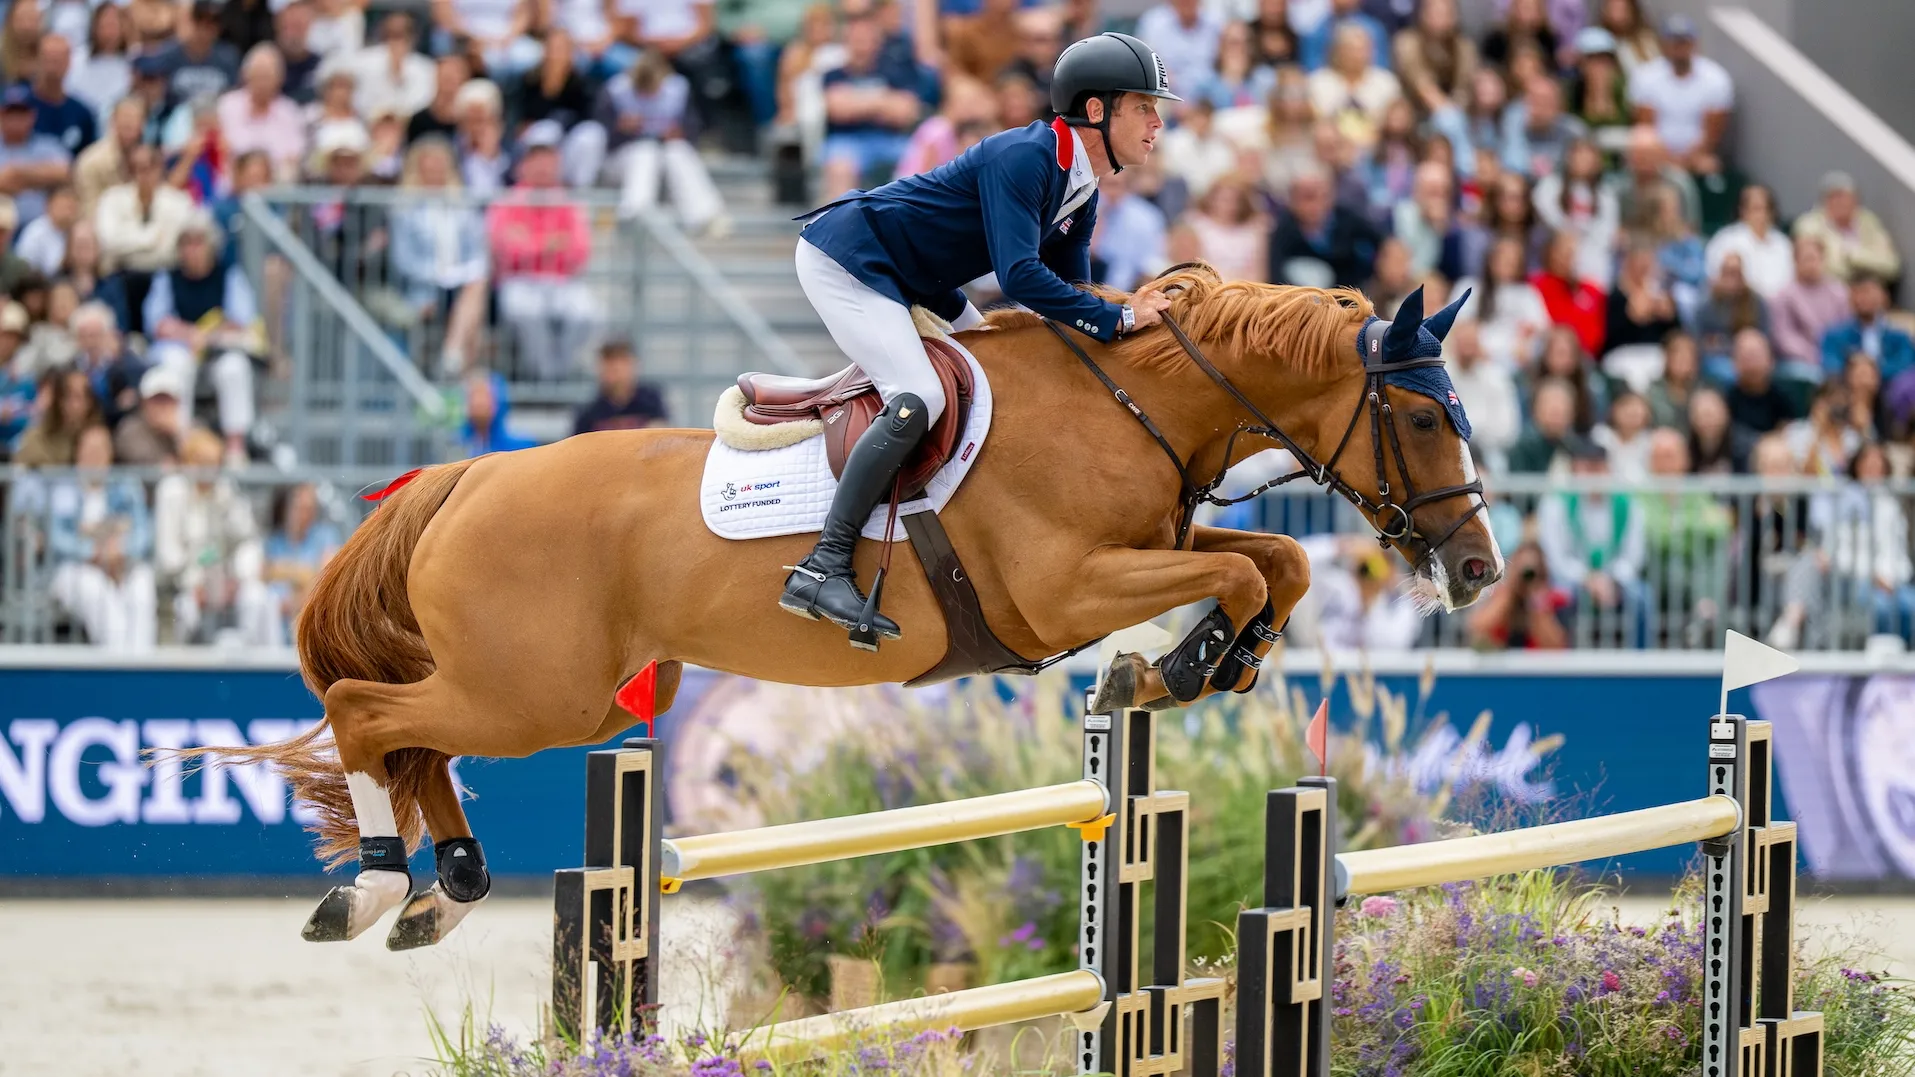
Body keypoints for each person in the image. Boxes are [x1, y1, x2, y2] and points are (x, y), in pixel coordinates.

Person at [781, 31, 1177, 641]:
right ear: (1097, 110)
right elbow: (1020, 276)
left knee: (1001, 367)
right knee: (920, 395)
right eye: (1144, 106)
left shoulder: (1082, 189)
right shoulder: (1026, 156)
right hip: (852, 258)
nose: (1157, 122)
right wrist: (1122, 318)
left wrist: (1132, 334)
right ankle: (823, 564)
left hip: (917, 278)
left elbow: (1074, 296)